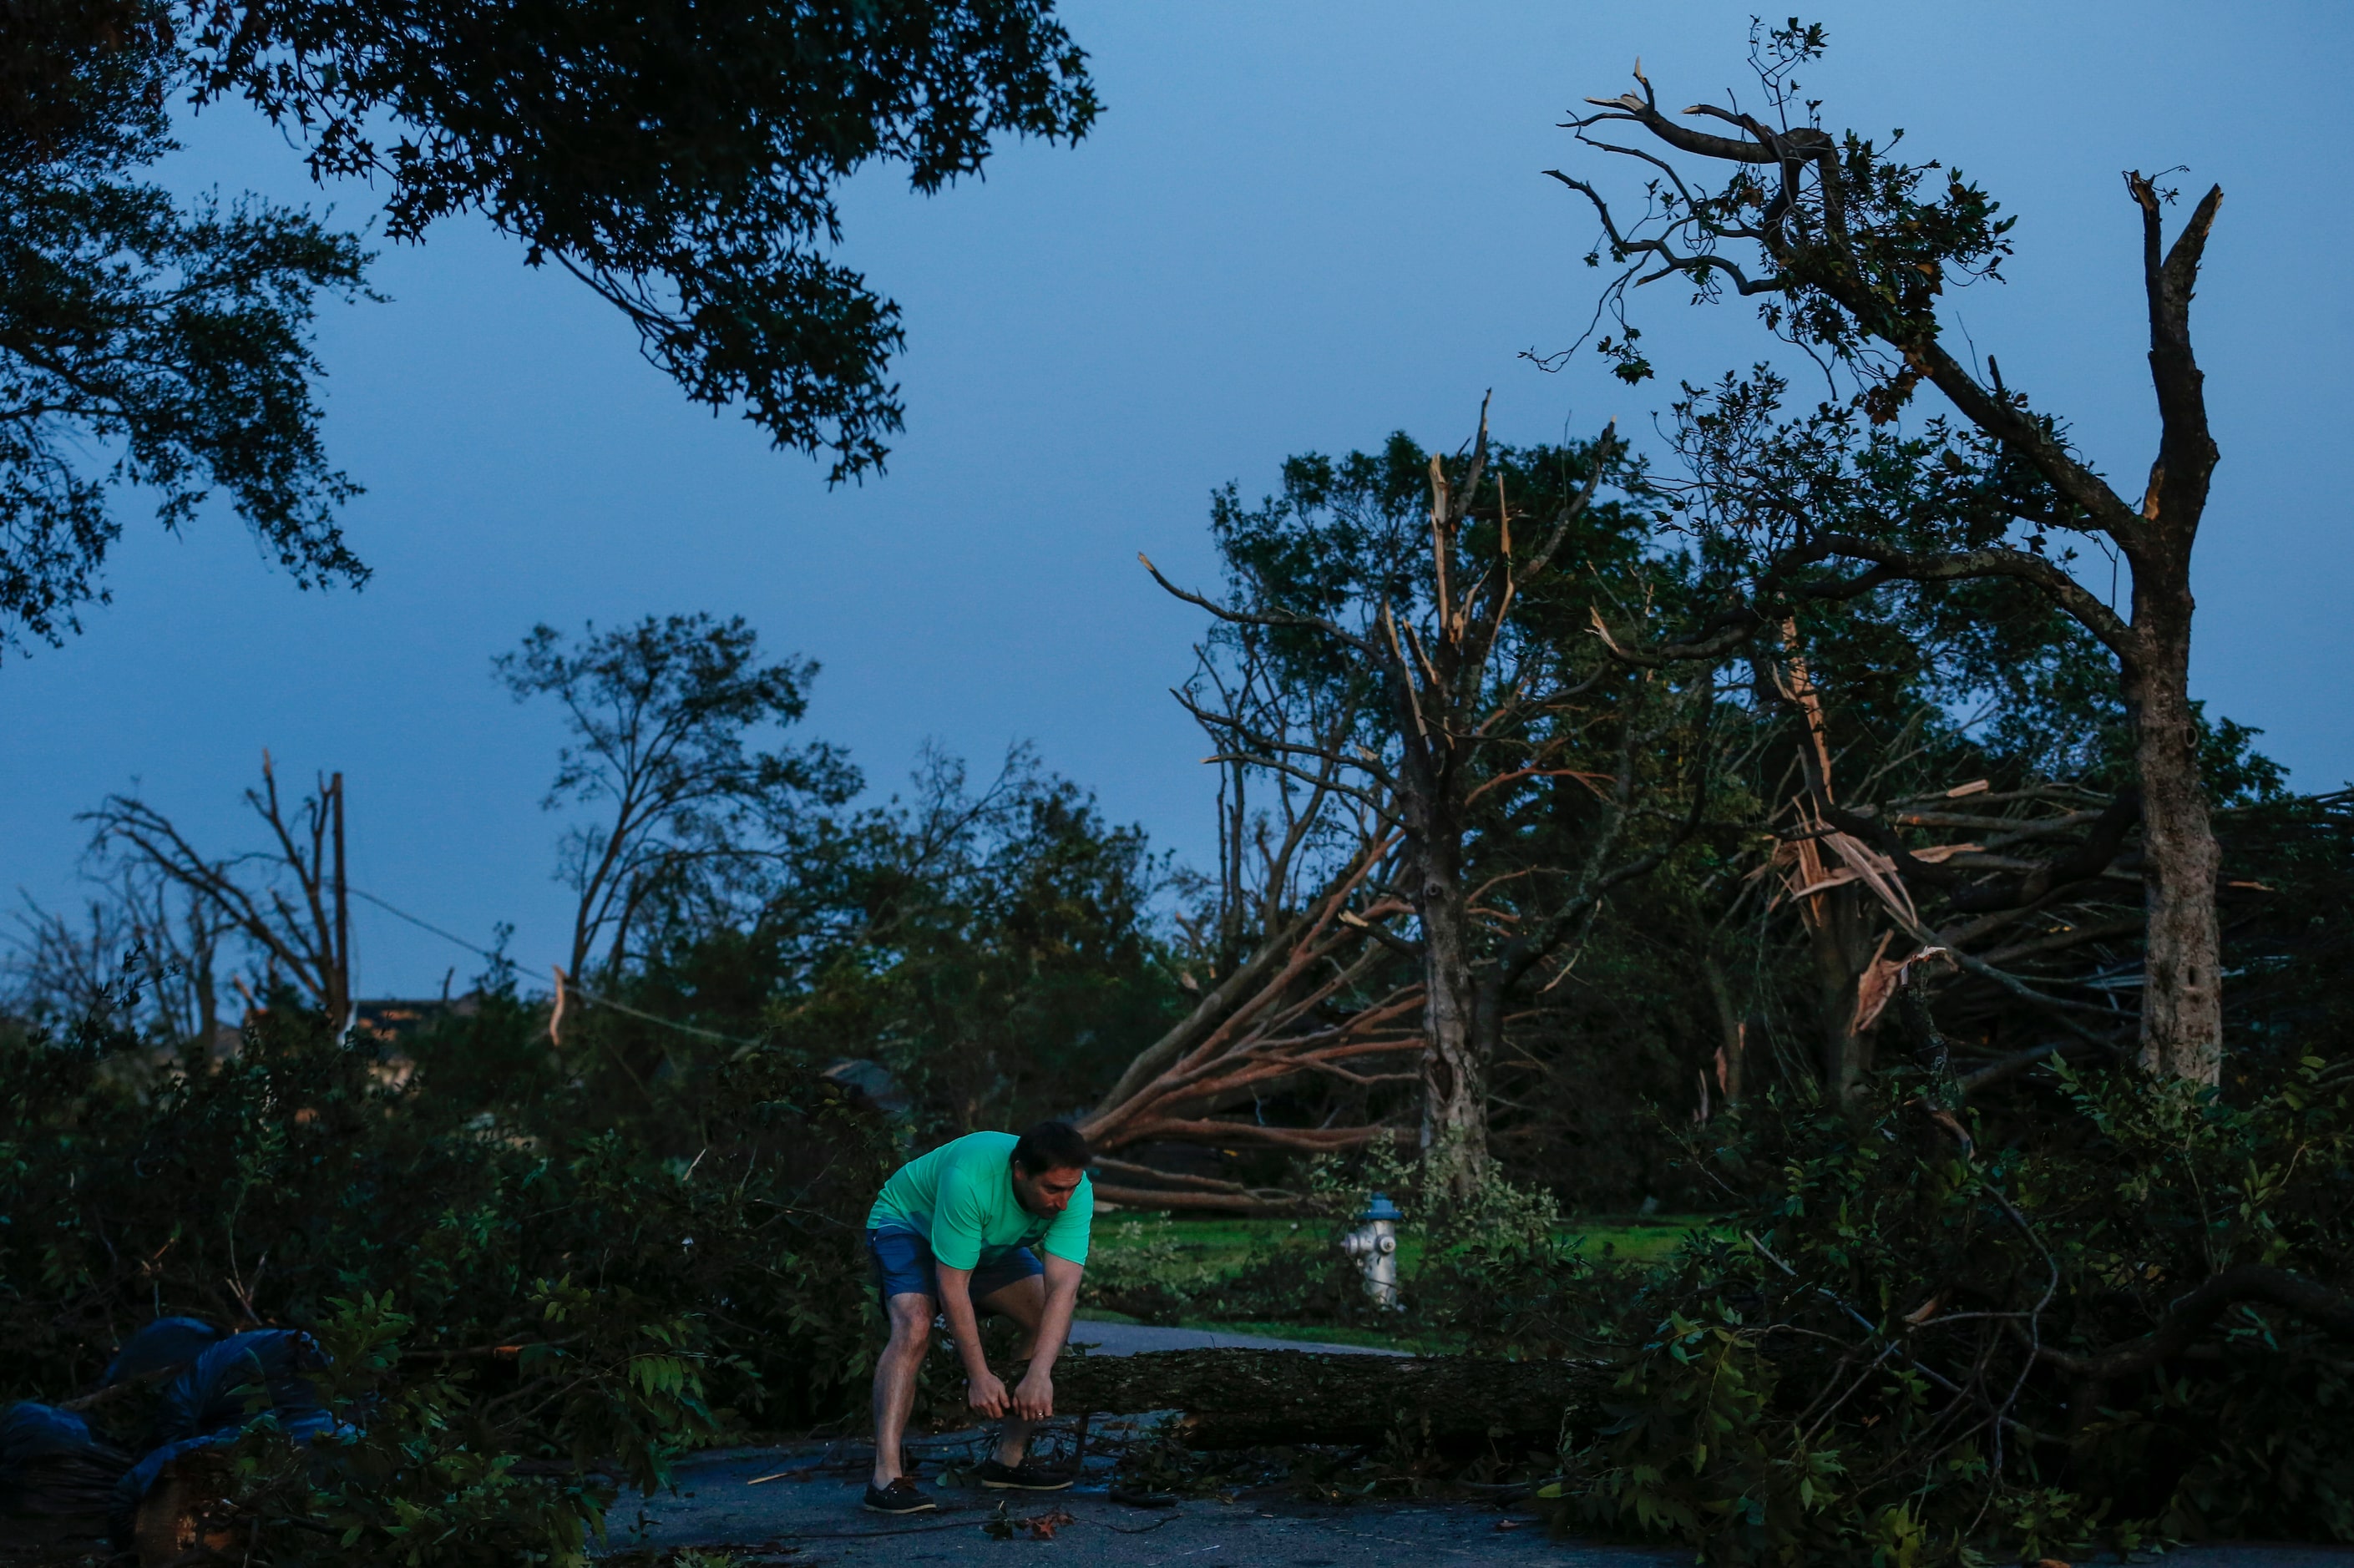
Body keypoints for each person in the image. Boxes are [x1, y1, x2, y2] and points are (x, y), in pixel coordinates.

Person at [861, 1120, 1094, 1515]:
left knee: (1044, 1316)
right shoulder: (969, 1178)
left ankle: (1008, 1460)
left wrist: (1040, 1374)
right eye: (1052, 1189)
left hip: (986, 1241)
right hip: (909, 1223)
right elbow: (953, 1287)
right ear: (1020, 1171)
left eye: (1071, 1188)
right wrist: (979, 1376)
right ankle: (886, 1477)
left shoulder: (1075, 1190)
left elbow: (1063, 1291)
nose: (1063, 1202)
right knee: (915, 1323)